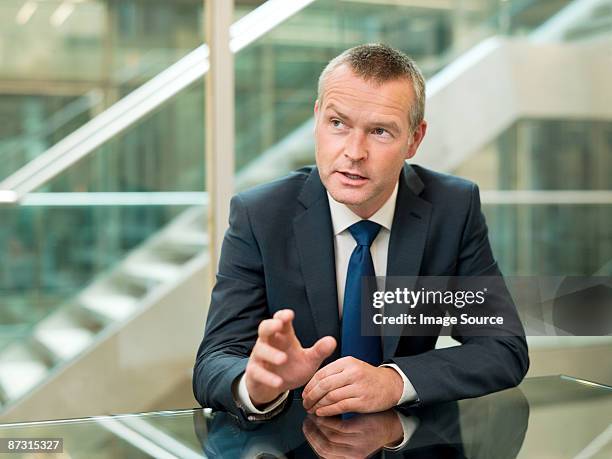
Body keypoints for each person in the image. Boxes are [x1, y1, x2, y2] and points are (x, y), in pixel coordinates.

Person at [193, 43, 529, 423]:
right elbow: (212, 363)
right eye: (337, 124)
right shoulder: (261, 214)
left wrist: (393, 381)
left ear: (414, 141)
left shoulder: (453, 208)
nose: (354, 151)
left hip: (407, 442)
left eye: (380, 132)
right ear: (317, 118)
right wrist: (258, 385)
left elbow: (503, 347)